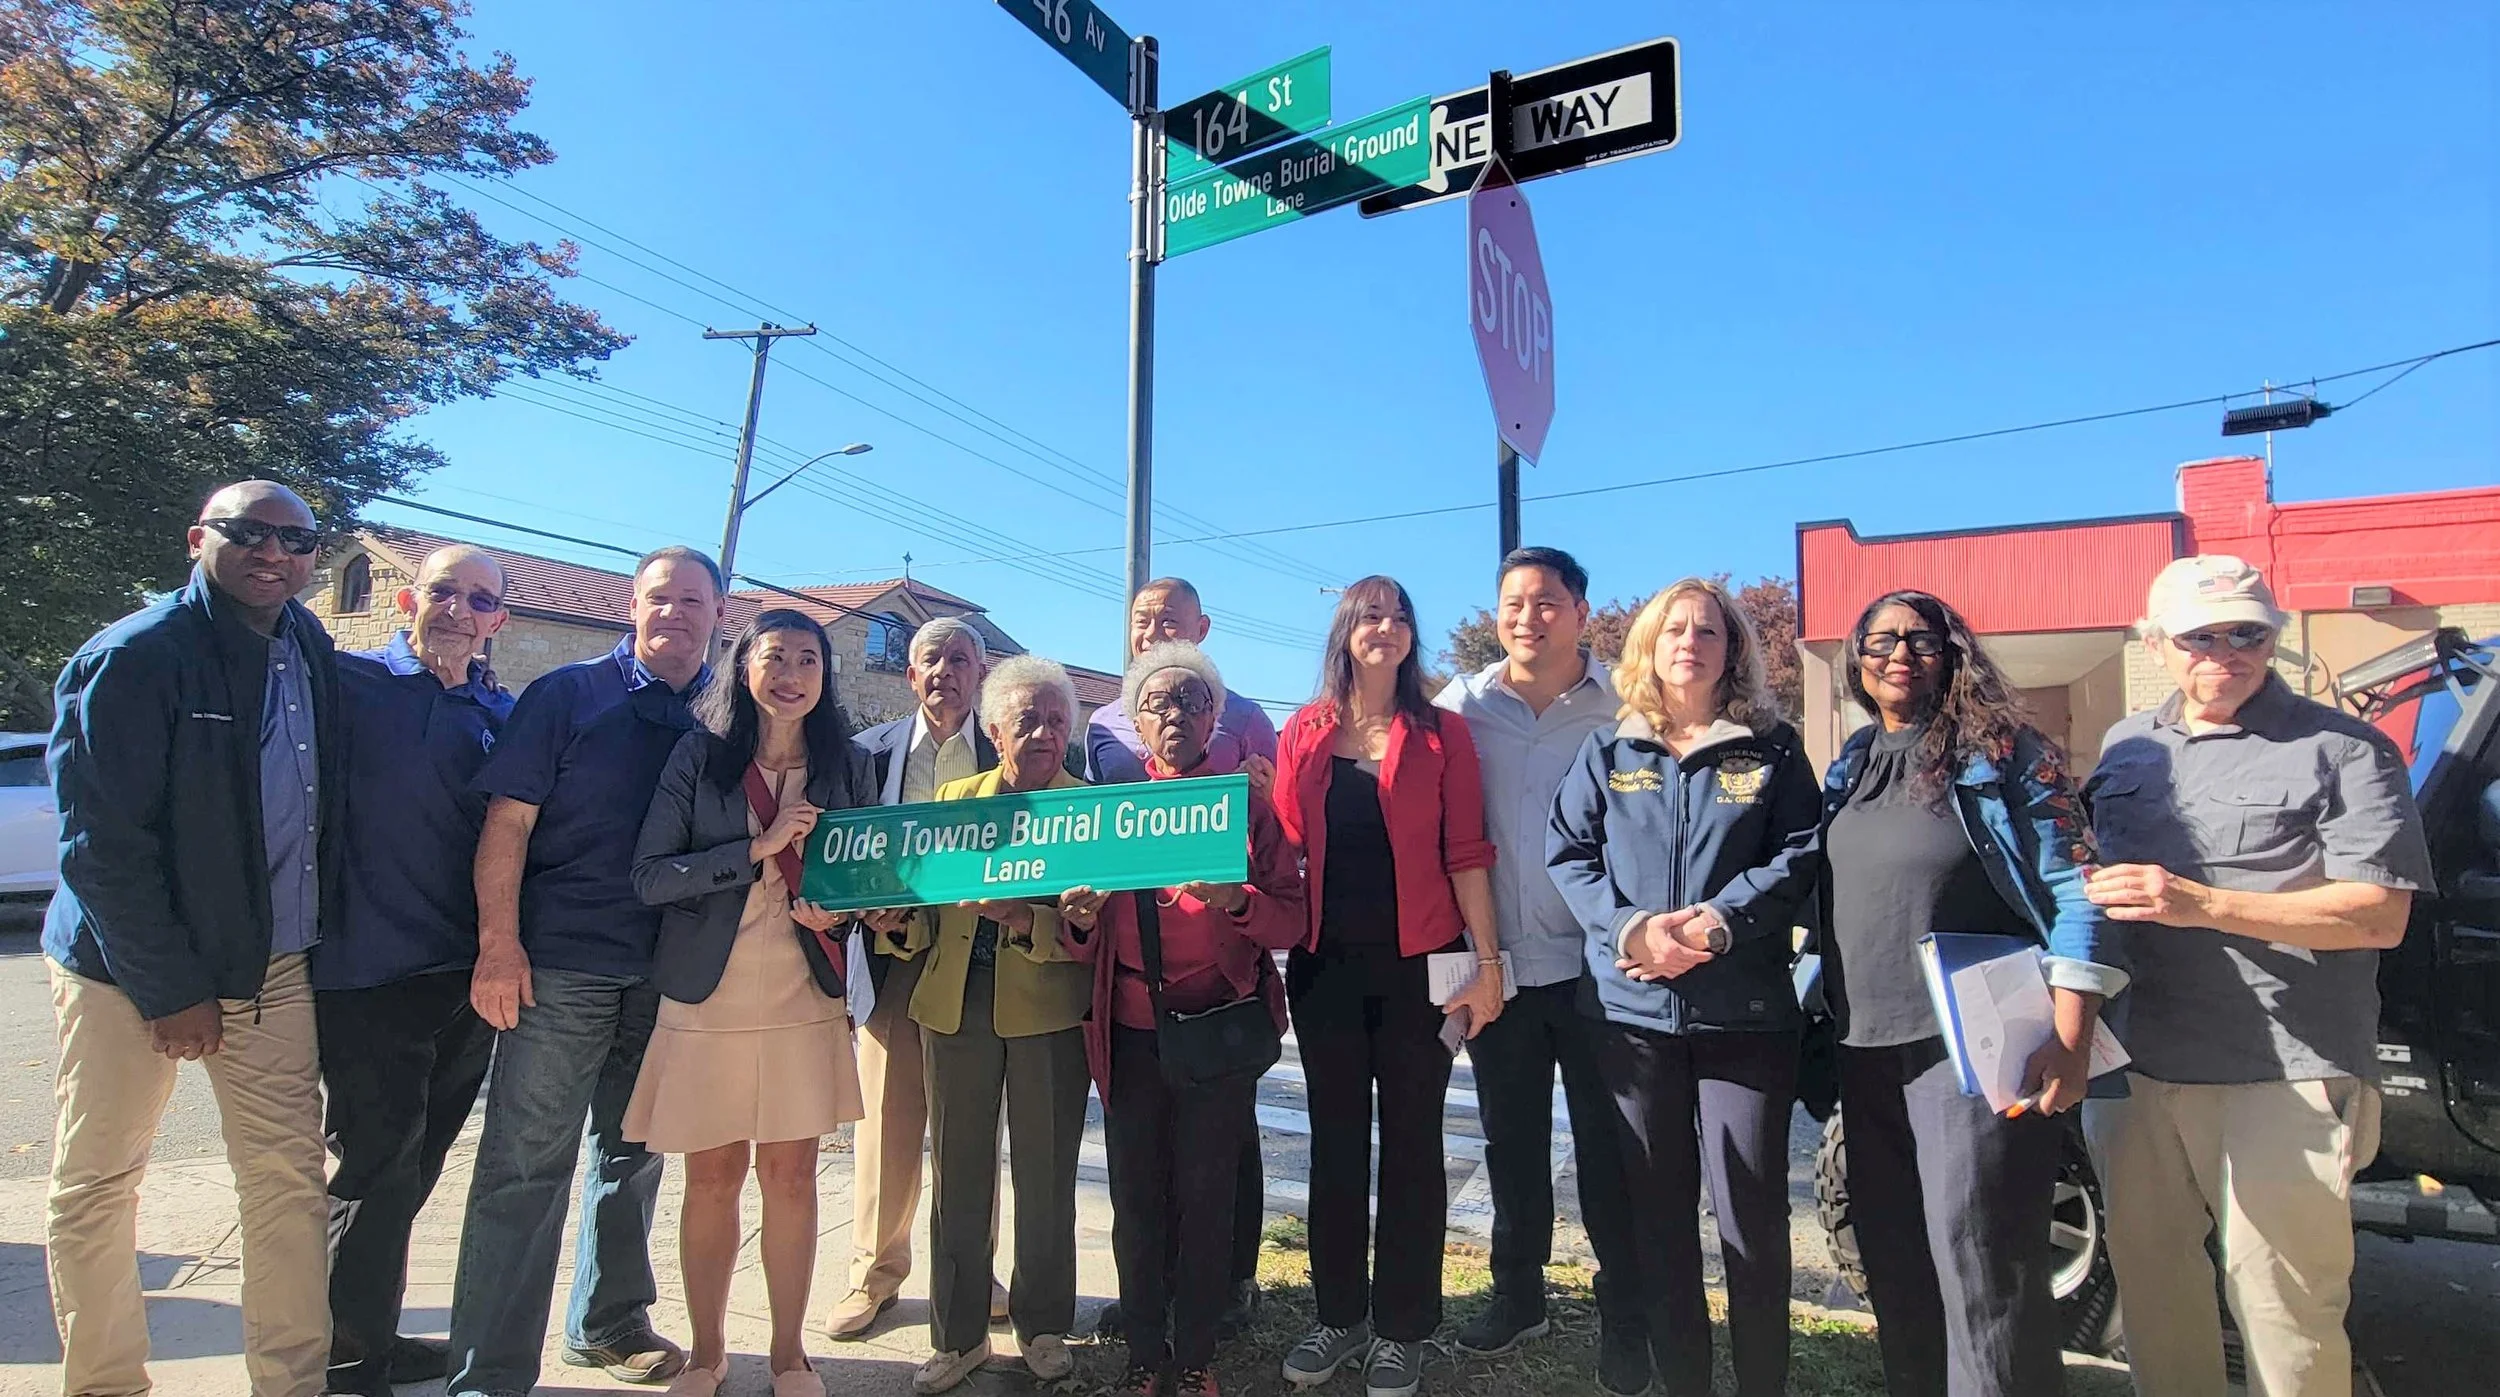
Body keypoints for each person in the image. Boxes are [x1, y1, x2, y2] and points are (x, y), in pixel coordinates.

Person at [2083, 556, 2431, 1397]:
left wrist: (2199, 902)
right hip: (2135, 1067)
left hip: (2282, 1072)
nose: (2227, 652)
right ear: (2157, 641)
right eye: (2203, 635)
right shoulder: (2127, 743)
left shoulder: (2344, 747)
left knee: (2285, 1314)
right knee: (2155, 1296)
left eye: (2249, 633)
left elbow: (2378, 914)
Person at [42, 480, 343, 1397]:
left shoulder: (307, 644)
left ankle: (290, 1384)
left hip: (271, 965)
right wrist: (171, 988)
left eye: (297, 538)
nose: (275, 552)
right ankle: (104, 1384)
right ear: (196, 539)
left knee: (289, 1184)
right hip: (124, 972)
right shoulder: (137, 655)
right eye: (248, 532)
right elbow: (101, 847)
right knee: (97, 1183)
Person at [1815, 589, 2124, 1397]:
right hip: (1863, 1043)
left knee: (1982, 1265)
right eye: (1879, 640)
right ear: (1856, 658)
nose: (1899, 654)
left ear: (1954, 652)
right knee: (1895, 1260)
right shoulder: (1850, 762)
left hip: (1975, 1048)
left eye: (1922, 638)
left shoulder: (2005, 750)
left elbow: (2077, 884)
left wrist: (2073, 1031)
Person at [445, 545, 726, 1396]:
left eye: (691, 600)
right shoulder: (568, 695)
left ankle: (607, 1324)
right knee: (524, 1164)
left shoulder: (723, 712)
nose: (673, 612)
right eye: (657, 598)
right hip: (561, 965)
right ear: (630, 608)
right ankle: (488, 1371)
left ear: (721, 613)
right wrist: (500, 944)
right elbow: (507, 824)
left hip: (668, 972)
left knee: (634, 1154)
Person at [1547, 577, 1821, 1397]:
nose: (1689, 642)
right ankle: (1684, 1381)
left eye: (1707, 630)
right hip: (1632, 1021)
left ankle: (1762, 1380)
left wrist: (1718, 922)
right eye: (1674, 629)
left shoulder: (1771, 748)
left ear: (1731, 648)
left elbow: (1802, 853)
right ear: (1649, 647)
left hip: (1744, 1020)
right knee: (1659, 1221)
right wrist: (1633, 930)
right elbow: (1568, 853)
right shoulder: (1609, 750)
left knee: (1752, 1220)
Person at [625, 608, 877, 1397]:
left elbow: (870, 878)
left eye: (809, 659)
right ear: (744, 667)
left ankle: (790, 1355)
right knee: (711, 1176)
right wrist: (753, 852)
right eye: (776, 657)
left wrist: (840, 911)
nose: (792, 674)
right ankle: (706, 1354)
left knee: (793, 1176)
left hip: (803, 989)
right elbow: (650, 876)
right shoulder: (697, 757)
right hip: (709, 993)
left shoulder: (848, 765)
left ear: (825, 676)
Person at [1269, 575, 1504, 1397]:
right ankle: (1339, 1316)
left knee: (1412, 1146)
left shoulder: (1443, 734)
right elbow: (1283, 847)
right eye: (1372, 615)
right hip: (1325, 968)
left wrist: (1489, 965)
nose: (1388, 628)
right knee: (1334, 1143)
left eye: (1401, 617)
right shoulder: (1304, 730)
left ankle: (1404, 1327)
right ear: (1345, 630)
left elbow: (1469, 851)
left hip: (1424, 971)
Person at [1057, 643, 1306, 1397]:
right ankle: (1143, 1352)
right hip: (1131, 1030)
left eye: (1193, 702)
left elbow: (1292, 918)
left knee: (1208, 1195)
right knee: (1136, 1197)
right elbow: (1083, 935)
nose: (1175, 714)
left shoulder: (1246, 808)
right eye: (1158, 703)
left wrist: (1238, 902)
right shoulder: (1111, 812)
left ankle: (1195, 1354)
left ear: (1216, 717)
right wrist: (1076, 919)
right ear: (1135, 721)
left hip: (1218, 1028)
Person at [1432, 547, 1645, 1387]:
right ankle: (1517, 1293)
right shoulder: (1463, 704)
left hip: (1603, 965)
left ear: (1580, 612)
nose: (1529, 616)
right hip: (1500, 969)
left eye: (1547, 600)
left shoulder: (1627, 704)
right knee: (1510, 1141)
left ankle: (1626, 1315)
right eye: (1514, 602)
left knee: (1609, 1147)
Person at [315, 543, 517, 1397]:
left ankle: (365, 1333)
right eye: (444, 592)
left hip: (466, 979)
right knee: (372, 1167)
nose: (458, 610)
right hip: (365, 971)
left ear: (497, 620)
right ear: (409, 598)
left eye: (479, 600)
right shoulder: (348, 688)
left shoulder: (503, 715)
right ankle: (345, 1361)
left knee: (417, 1166)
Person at [890, 656, 1095, 1395]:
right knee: (958, 1175)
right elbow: (921, 916)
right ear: (994, 727)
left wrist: (1024, 918)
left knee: (1046, 1175)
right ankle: (957, 1335)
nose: (1042, 733)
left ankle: (1041, 1325)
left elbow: (1091, 929)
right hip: (953, 1008)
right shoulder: (951, 798)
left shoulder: (1089, 811)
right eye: (1027, 720)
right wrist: (894, 920)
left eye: (1055, 721)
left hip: (1046, 1011)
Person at [1085, 576, 1277, 1344]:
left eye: (1170, 617)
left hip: (1221, 1000)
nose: (1154, 627)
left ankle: (1227, 1284)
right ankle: (1150, 1300)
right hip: (1134, 988)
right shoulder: (1099, 721)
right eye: (1141, 617)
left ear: (1202, 626)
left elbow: (1274, 841)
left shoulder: (1248, 717)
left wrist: (1237, 899)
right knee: (1143, 1167)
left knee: (1223, 1161)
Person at [825, 616, 1009, 1341]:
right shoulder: (866, 754)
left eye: (960, 658)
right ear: (911, 673)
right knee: (886, 1127)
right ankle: (873, 1275)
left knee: (970, 1131)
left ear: (980, 671)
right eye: (931, 658)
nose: (945, 671)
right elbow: (841, 853)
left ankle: (974, 1272)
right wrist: (859, 910)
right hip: (892, 958)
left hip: (981, 960)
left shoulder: (1010, 750)